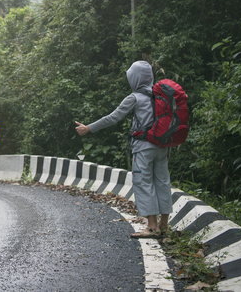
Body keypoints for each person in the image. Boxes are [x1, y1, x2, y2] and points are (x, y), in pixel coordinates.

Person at [74, 60, 172, 239]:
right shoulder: (161, 95)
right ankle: (164, 225)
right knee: (162, 182)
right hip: (162, 147)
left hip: (144, 147)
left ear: (135, 78)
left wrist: (88, 128)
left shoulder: (134, 97)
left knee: (144, 183)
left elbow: (113, 118)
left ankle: (152, 227)